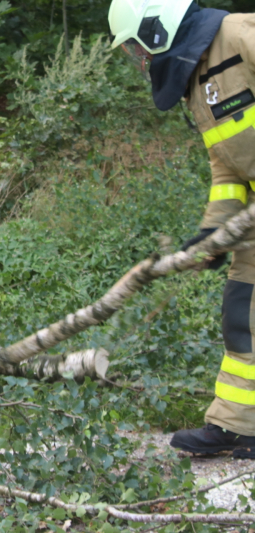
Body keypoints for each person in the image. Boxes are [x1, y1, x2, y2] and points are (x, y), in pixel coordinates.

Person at [108, 0, 255, 458]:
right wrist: (213, 233)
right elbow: (227, 167)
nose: (139, 59)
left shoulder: (240, 35)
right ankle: (238, 426)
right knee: (241, 312)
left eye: (136, 47)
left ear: (157, 28)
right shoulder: (199, 79)